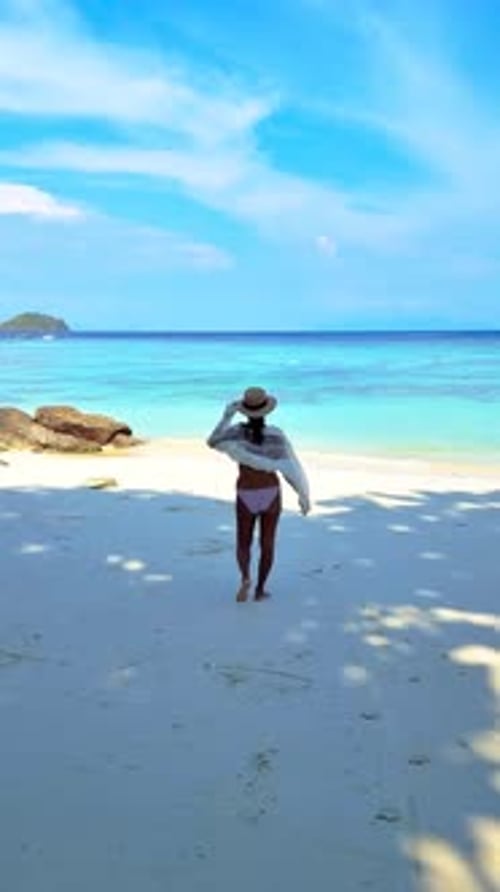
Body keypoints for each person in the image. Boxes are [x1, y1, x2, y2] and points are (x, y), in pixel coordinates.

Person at [207, 386, 311, 602]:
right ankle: (260, 589)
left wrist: (227, 415)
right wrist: (302, 494)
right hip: (270, 493)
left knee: (243, 543)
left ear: (244, 410)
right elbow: (291, 467)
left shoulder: (235, 433)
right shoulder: (276, 435)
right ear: (267, 411)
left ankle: (245, 577)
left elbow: (212, 441)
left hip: (246, 492)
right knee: (268, 543)